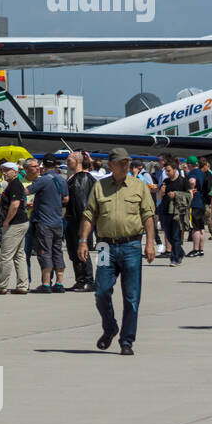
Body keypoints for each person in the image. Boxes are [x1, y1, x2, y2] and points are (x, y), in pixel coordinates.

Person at [78, 147, 157, 356]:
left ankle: (126, 341)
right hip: (105, 246)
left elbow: (148, 216)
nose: (125, 165)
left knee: (131, 297)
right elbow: (89, 215)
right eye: (121, 162)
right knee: (101, 292)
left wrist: (150, 243)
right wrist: (83, 241)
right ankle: (110, 327)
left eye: (127, 162)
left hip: (131, 246)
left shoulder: (139, 187)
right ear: (110, 166)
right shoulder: (99, 187)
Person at [26, 155, 68, 293]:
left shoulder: (42, 180)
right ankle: (59, 283)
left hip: (44, 221)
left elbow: (26, 191)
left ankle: (46, 284)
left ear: (43, 165)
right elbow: (66, 198)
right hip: (58, 221)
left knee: (45, 252)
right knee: (57, 251)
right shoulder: (61, 180)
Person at [0, 161, 29, 294]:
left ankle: (1, 286)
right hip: (21, 222)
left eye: (7, 170)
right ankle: (22, 285)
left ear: (16, 172)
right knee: (19, 255)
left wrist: (7, 221)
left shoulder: (15, 185)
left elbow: (15, 205)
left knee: (6, 256)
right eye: (3, 170)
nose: (4, 172)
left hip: (15, 223)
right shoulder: (13, 184)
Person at [64, 151, 96, 292]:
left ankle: (87, 280)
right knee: (75, 252)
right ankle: (80, 280)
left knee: (82, 252)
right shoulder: (78, 177)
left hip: (79, 222)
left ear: (77, 161)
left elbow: (82, 204)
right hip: (76, 221)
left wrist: (82, 223)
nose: (67, 162)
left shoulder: (80, 179)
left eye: (69, 159)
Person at [156, 162, 190, 266]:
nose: (167, 173)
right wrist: (161, 191)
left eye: (169, 170)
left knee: (176, 236)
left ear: (175, 169)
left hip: (177, 212)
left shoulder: (183, 181)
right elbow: (159, 197)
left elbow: (189, 196)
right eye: (166, 171)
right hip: (165, 210)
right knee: (169, 235)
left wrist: (176, 194)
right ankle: (180, 252)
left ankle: (175, 259)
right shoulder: (166, 181)